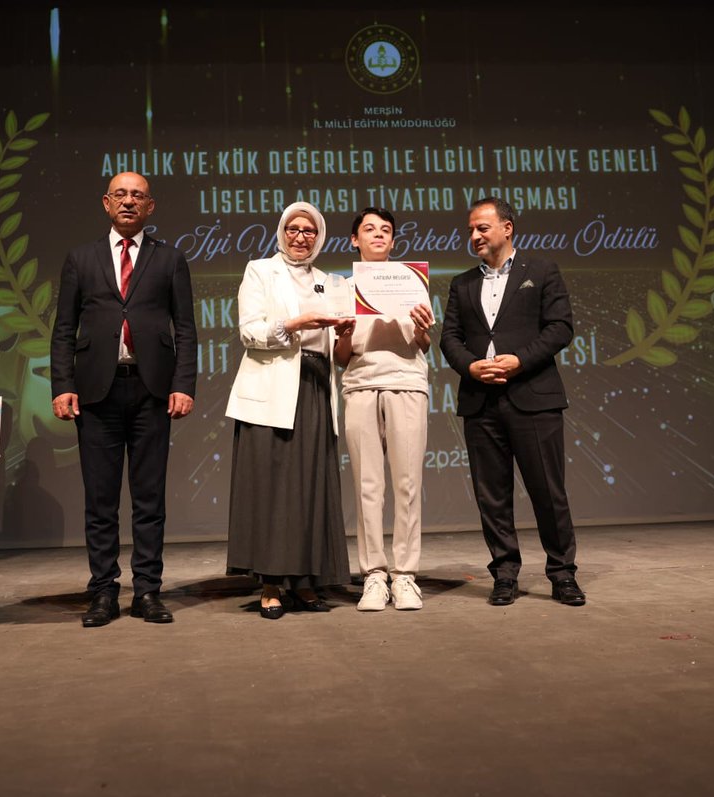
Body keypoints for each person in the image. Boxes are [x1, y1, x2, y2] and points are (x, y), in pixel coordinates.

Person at [50, 172, 197, 627]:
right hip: (97, 391)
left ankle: (148, 591)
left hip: (152, 390)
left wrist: (183, 384)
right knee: (101, 500)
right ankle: (103, 592)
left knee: (150, 499)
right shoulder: (81, 258)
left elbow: (187, 330)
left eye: (138, 196)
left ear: (150, 207)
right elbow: (63, 329)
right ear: (106, 203)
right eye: (121, 195)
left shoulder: (170, 259)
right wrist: (62, 385)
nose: (129, 202)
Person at [440, 197, 585, 607]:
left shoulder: (541, 271)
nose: (474, 236)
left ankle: (562, 574)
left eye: (482, 228)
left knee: (548, 491)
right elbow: (449, 338)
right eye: (470, 230)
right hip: (480, 402)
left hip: (534, 398)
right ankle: (504, 575)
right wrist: (470, 368)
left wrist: (520, 360)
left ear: (507, 228)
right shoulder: (462, 283)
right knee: (492, 495)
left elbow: (560, 328)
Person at [225, 201, 354, 620]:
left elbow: (340, 354)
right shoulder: (260, 270)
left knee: (310, 488)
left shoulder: (332, 282)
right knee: (272, 489)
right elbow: (249, 332)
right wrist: (298, 324)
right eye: (294, 229)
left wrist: (347, 334)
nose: (301, 237)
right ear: (281, 232)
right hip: (273, 388)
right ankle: (270, 584)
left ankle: (305, 583)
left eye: (310, 231)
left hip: (315, 387)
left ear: (319, 237)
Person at [334, 208, 434, 611]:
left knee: (408, 485)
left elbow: (422, 344)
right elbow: (341, 356)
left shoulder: (412, 280)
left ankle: (405, 575)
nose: (378, 235)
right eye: (369, 229)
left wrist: (425, 330)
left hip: (406, 384)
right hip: (360, 386)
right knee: (367, 487)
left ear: (393, 241)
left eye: (386, 231)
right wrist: (342, 333)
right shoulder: (342, 287)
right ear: (354, 240)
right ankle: (374, 575)